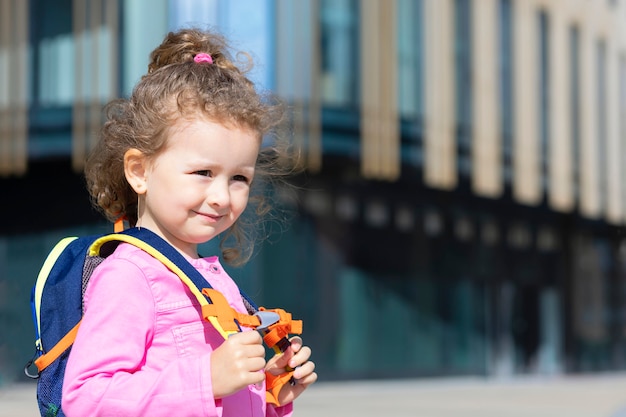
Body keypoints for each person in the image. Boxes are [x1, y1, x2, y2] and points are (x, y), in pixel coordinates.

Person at [61, 27, 317, 417]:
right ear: (139, 170)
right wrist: (207, 379)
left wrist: (267, 391)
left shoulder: (210, 278)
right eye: (202, 172)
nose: (220, 195)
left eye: (239, 178)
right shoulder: (129, 276)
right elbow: (86, 399)